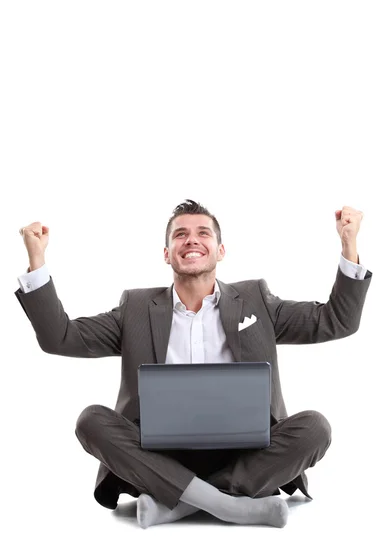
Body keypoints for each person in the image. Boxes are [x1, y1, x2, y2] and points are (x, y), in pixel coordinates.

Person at [15, 200, 372, 528]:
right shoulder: (136, 308)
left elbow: (336, 321)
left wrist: (348, 247)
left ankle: (180, 504)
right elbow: (59, 338)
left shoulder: (256, 300)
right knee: (90, 420)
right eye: (180, 234)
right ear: (167, 254)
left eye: (203, 233)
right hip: (155, 455)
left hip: (246, 453)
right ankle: (232, 505)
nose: (192, 240)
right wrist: (37, 261)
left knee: (315, 428)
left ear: (220, 250)